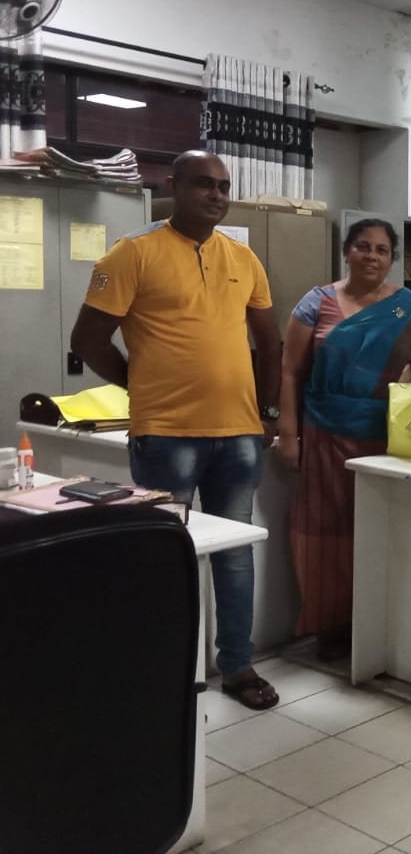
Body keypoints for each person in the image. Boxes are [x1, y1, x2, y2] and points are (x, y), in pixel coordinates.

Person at [70, 150, 282, 709]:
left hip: (238, 434)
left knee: (236, 553)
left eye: (223, 186)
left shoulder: (243, 257)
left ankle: (237, 667)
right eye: (203, 185)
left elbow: (270, 341)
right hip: (167, 435)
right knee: (168, 555)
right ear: (174, 187)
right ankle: (167, 670)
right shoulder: (132, 253)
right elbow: (88, 341)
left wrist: (270, 413)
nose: (215, 194)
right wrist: (138, 385)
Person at [278, 218, 411, 660]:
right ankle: (329, 627)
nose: (372, 256)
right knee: (320, 532)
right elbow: (291, 370)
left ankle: (378, 628)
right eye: (363, 247)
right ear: (346, 251)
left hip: (388, 441)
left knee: (378, 532)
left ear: (392, 258)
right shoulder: (315, 303)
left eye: (382, 250)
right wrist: (288, 433)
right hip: (322, 433)